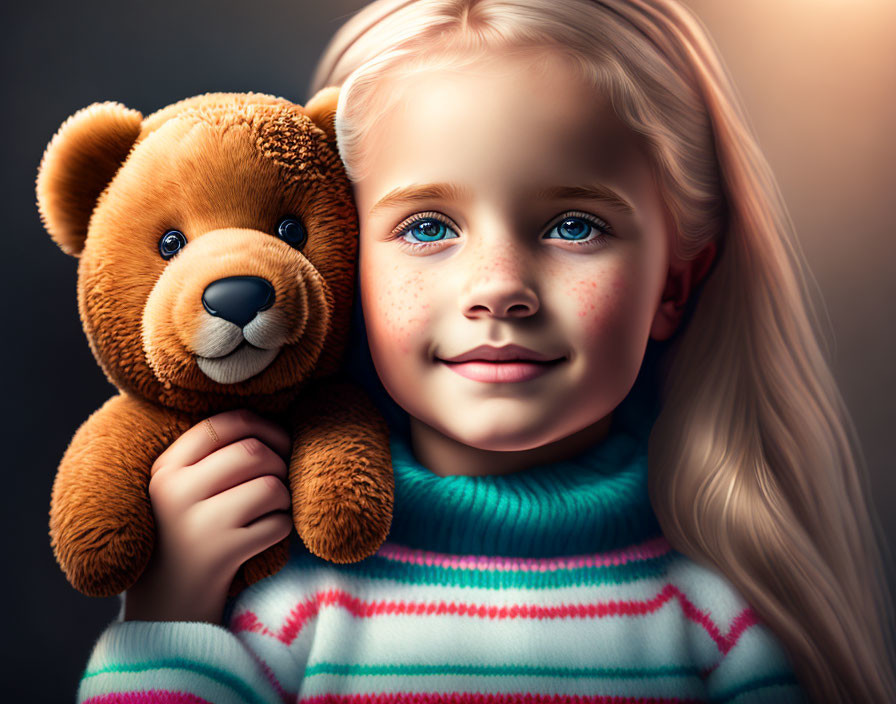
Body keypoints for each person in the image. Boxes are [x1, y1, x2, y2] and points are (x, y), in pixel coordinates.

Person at [74, 0, 896, 702]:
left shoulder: (715, 627)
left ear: (673, 288)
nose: (499, 286)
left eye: (575, 225)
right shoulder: (296, 609)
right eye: (428, 227)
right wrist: (169, 612)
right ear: (346, 264)